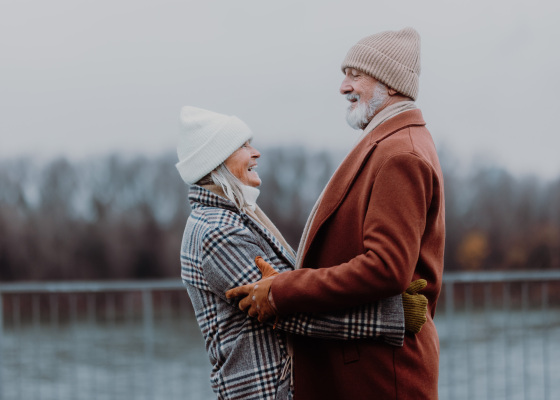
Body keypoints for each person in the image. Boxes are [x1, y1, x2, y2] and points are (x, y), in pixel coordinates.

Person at [226, 27, 445, 400]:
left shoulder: (399, 154)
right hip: (365, 371)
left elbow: (386, 268)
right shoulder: (390, 143)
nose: (343, 87)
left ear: (389, 83)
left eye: (355, 74)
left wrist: (283, 291)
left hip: (379, 377)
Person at [176, 105, 428, 399]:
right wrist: (388, 316)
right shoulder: (218, 233)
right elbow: (286, 310)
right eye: (242, 146)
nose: (255, 152)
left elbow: (286, 293)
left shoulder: (233, 218)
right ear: (215, 160)